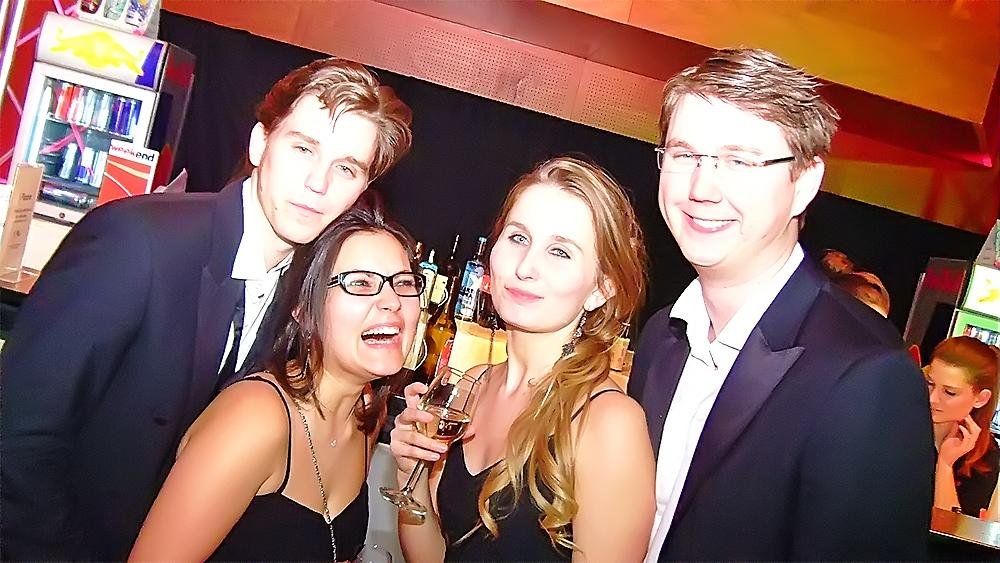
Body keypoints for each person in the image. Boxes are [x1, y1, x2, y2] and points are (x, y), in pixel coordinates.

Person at [0, 57, 412, 560]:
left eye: (346, 168)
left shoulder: (304, 296)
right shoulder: (140, 243)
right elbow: (17, 438)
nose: (318, 183)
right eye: (303, 148)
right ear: (260, 144)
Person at [628, 48, 933, 560]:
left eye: (739, 161)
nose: (702, 188)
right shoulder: (664, 334)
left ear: (805, 182)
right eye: (684, 155)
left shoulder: (867, 376)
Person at [389, 157, 655, 561]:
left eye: (560, 252)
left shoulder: (608, 422)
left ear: (601, 289)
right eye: (517, 238)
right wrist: (412, 473)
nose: (526, 267)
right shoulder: (472, 385)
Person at [130, 200, 423, 561]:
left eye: (404, 283)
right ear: (303, 309)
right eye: (360, 283)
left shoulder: (366, 413)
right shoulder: (255, 419)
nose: (392, 301)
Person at [925, 336, 999, 517]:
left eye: (949, 392)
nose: (932, 398)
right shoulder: (899, 427)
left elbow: (952, 529)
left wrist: (945, 466)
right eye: (930, 383)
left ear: (980, 399)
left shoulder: (985, 454)